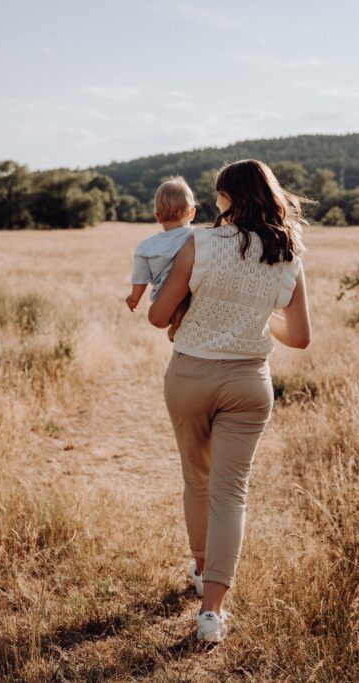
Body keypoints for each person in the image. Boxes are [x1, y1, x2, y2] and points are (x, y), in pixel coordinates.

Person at [147, 159, 312, 643]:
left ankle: (201, 568)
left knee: (197, 480)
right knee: (231, 493)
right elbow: (299, 337)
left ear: (226, 198)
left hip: (190, 375)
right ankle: (212, 613)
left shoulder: (198, 242)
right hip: (248, 384)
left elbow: (159, 317)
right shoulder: (289, 252)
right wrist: (260, 320)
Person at [126, 176, 196, 340]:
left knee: (164, 321)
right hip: (192, 293)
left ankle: (175, 321)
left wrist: (134, 299)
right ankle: (180, 318)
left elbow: (140, 278)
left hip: (163, 300)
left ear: (158, 216)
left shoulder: (146, 247)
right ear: (192, 213)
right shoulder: (196, 237)